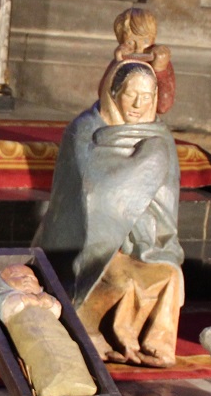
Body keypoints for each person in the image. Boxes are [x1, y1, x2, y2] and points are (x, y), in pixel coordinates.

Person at [34, 60, 185, 368]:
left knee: (170, 274)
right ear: (114, 93)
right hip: (88, 242)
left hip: (143, 242)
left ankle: (155, 344)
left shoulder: (160, 138)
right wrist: (130, 184)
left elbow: (164, 201)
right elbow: (87, 192)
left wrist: (141, 234)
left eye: (146, 96)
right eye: (131, 94)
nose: (138, 104)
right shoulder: (84, 130)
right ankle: (94, 333)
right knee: (118, 280)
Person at [0, 264, 96, 396]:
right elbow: (6, 310)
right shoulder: (6, 297)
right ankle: (49, 385)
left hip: (56, 333)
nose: (26, 280)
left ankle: (81, 381)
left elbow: (56, 310)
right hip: (30, 332)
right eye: (17, 277)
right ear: (3, 284)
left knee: (69, 351)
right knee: (41, 356)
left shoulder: (43, 296)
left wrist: (48, 302)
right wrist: (27, 300)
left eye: (31, 278)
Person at [111, 8, 176, 115]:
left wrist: (160, 70)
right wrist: (118, 65)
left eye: (145, 41)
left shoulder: (160, 61)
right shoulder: (122, 59)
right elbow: (105, 96)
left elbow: (163, 106)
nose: (138, 49)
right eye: (130, 42)